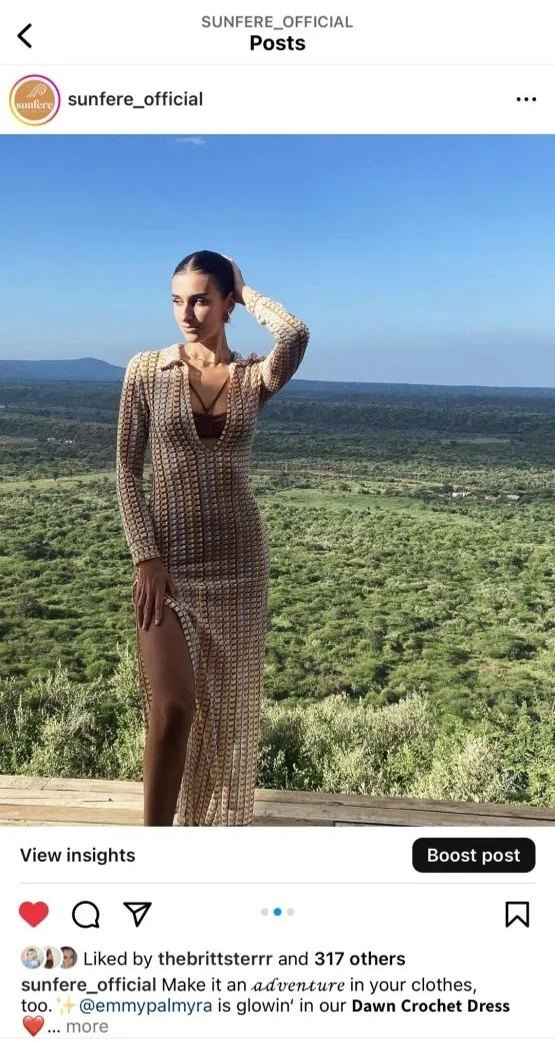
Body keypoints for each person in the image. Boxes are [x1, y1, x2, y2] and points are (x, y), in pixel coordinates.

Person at [116, 251, 309, 826]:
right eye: (177, 300)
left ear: (226, 304)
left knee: (225, 718)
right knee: (173, 708)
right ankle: (152, 846)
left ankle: (202, 833)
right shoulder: (146, 371)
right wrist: (145, 556)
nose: (187, 313)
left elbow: (295, 335)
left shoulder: (253, 379)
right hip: (167, 566)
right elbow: (126, 470)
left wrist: (248, 291)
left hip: (240, 567)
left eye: (201, 299)